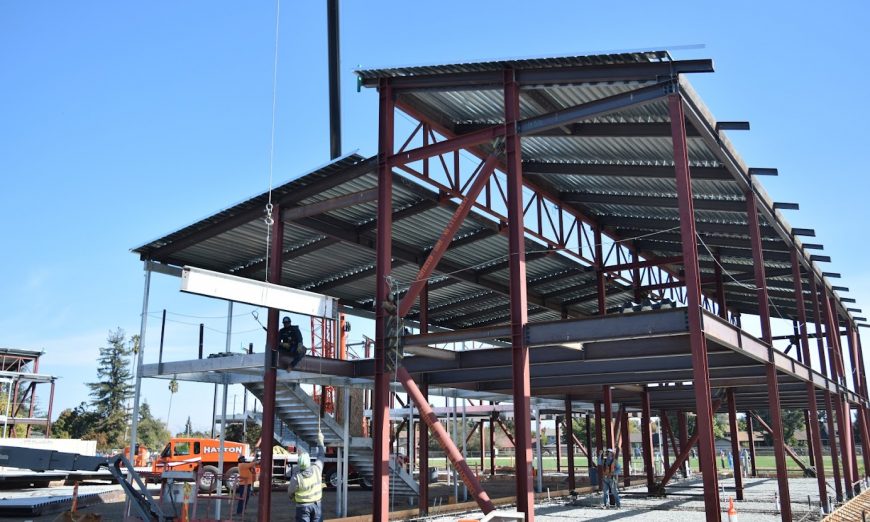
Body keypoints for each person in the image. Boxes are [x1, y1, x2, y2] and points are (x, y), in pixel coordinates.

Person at [288, 433, 325, 522]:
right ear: (309, 462)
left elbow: (290, 492)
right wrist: (321, 443)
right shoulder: (317, 469)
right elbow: (321, 456)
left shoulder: (296, 478)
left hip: (302, 507)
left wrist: (294, 498)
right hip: (317, 505)